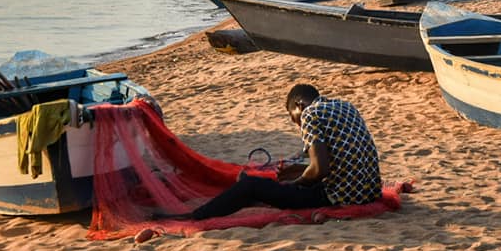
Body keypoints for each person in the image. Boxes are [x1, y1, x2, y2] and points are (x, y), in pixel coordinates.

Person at [161, 83, 382, 223]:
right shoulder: (345, 106)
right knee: (270, 187)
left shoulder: (309, 115)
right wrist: (300, 172)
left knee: (251, 186)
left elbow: (319, 170)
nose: (295, 122)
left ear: (298, 105)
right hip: (368, 191)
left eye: (291, 115)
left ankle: (195, 215)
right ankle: (255, 192)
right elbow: (338, 157)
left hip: (341, 197)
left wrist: (295, 183)